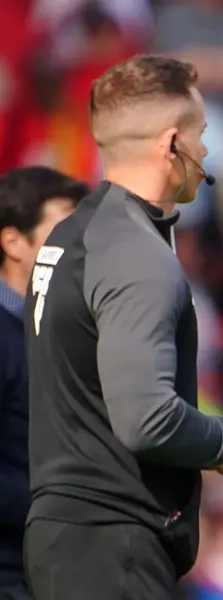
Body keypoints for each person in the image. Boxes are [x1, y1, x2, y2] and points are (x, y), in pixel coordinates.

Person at [22, 56, 223, 600]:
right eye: (201, 133)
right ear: (172, 142)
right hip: (114, 546)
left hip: (70, 539)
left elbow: (103, 400)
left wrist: (217, 451)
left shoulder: (73, 236)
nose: (207, 152)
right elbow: (147, 421)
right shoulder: (137, 254)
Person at [0, 167, 85, 600]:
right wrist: (62, 508)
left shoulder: (70, 331)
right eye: (63, 231)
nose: (80, 248)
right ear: (13, 242)